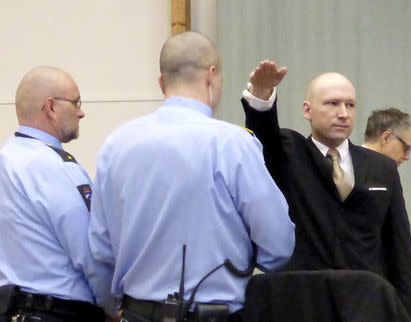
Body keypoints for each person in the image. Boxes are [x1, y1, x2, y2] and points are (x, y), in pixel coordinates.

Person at [88, 32, 295, 322]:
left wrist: (113, 307)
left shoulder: (115, 145)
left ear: (161, 82)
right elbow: (278, 246)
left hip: (136, 313)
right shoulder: (233, 144)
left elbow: (99, 248)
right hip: (214, 314)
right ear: (212, 76)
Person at [241, 61, 411, 321]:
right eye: (332, 103)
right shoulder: (289, 152)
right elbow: (263, 132)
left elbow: (399, 250)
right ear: (307, 110)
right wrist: (261, 94)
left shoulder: (383, 169)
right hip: (302, 304)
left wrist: (405, 312)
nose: (343, 113)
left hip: (365, 306)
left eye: (350, 105)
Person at [0, 66, 118, 322]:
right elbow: (91, 254)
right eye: (76, 102)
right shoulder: (57, 167)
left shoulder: (6, 160)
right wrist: (113, 308)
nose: (81, 112)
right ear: (51, 107)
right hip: (57, 313)